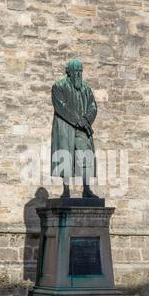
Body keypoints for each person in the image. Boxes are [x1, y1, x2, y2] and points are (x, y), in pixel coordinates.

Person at [51, 59, 98, 198]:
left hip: (82, 130)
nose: (78, 74)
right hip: (66, 127)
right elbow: (61, 106)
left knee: (85, 156)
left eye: (80, 71)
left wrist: (87, 119)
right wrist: (78, 120)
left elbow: (93, 106)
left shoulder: (86, 89)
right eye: (75, 71)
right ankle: (66, 190)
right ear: (69, 73)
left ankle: (87, 189)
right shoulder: (58, 87)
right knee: (65, 156)